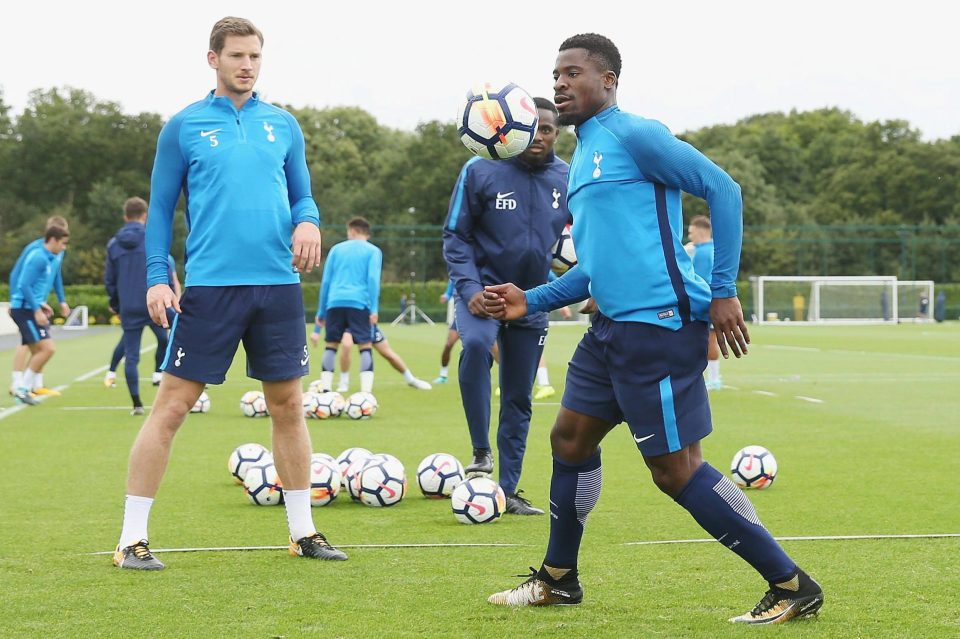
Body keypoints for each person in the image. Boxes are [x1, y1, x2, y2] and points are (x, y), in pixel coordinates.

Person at [482, 34, 822, 624]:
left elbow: (724, 188)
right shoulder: (582, 157)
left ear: (609, 79)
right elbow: (594, 267)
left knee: (675, 470)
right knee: (569, 440)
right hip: (609, 333)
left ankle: (792, 584)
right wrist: (529, 299)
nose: (559, 84)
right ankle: (559, 580)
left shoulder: (635, 135)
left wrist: (722, 290)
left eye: (573, 73)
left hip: (658, 329)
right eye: (555, 74)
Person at [113, 16, 346, 570]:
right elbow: (161, 210)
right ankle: (131, 540)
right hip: (212, 288)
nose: (247, 65)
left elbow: (302, 196)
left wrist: (308, 222)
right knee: (172, 407)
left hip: (278, 286)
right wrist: (154, 278)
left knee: (289, 406)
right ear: (212, 58)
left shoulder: (283, 125)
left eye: (255, 57)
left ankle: (302, 532)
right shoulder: (184, 127)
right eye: (237, 56)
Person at [443, 97, 570, 516]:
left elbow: (584, 236)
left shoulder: (566, 177)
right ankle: (481, 451)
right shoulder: (480, 169)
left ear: (557, 133)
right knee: (477, 346)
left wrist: (590, 282)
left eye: (549, 129)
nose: (541, 136)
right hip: (483, 293)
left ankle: (509, 491)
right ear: (516, 129)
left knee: (519, 397)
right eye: (534, 128)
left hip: (533, 300)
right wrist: (469, 287)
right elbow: (456, 236)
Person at [104, 197, 181, 414]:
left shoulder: (113, 244)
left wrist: (116, 305)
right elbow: (164, 267)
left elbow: (109, 280)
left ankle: (137, 404)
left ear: (125, 216)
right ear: (145, 216)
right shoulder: (152, 238)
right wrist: (171, 297)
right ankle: (187, 379)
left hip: (129, 306)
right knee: (177, 334)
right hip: (154, 301)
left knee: (132, 354)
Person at [309, 217, 382, 395]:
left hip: (334, 302)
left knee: (331, 345)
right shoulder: (373, 251)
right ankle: (366, 393)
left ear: (352, 231)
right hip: (359, 303)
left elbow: (326, 281)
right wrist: (373, 309)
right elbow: (372, 280)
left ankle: (325, 390)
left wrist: (321, 311)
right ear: (366, 233)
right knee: (365, 345)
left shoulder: (336, 249)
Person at [8, 215, 71, 400]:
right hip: (25, 307)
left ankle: (31, 386)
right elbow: (20, 280)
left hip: (34, 304)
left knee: (39, 348)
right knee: (34, 345)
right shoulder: (36, 252)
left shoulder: (54, 253)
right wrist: (22, 303)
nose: (64, 247)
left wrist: (58, 300)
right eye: (62, 242)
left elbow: (55, 276)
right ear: (52, 237)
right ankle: (19, 384)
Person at [104, 254, 181, 390]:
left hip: (154, 308)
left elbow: (173, 281)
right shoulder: (135, 257)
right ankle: (111, 372)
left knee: (164, 339)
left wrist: (176, 301)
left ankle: (158, 374)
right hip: (139, 307)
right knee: (126, 345)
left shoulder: (166, 257)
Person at [334, 325, 431, 392]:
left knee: (387, 353)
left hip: (365, 321)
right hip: (347, 322)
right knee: (346, 346)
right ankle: (343, 383)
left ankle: (411, 380)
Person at [688, 215, 721, 390]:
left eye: (691, 232)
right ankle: (713, 378)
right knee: (709, 341)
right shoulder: (713, 249)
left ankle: (714, 380)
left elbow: (699, 281)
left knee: (709, 341)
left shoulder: (702, 252)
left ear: (700, 232)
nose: (689, 236)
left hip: (705, 304)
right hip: (713, 302)